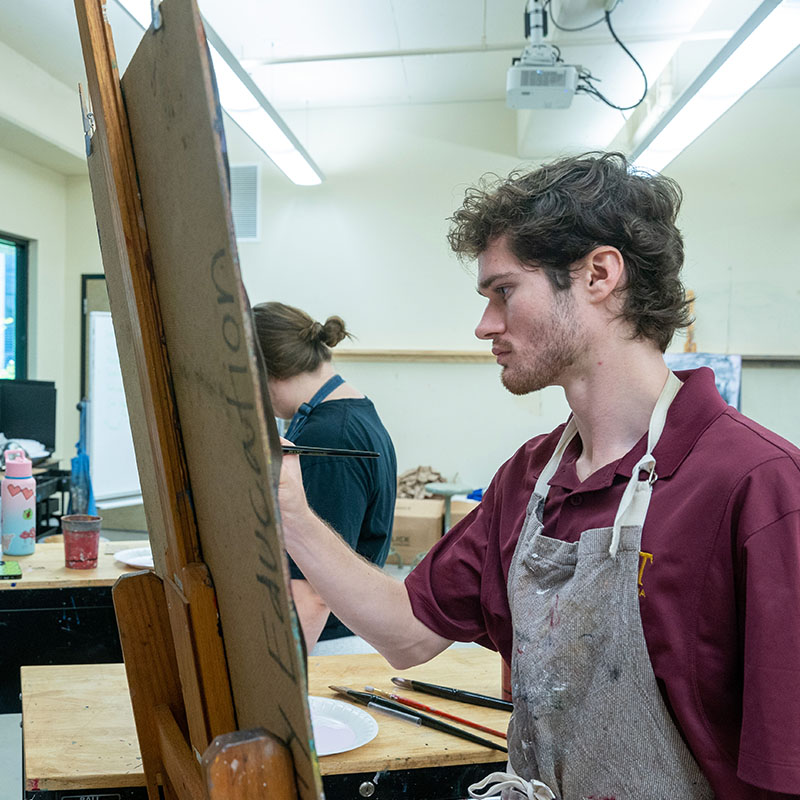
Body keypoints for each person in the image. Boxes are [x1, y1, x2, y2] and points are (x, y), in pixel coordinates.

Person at [276, 153, 800, 799]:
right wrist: (293, 519)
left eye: (503, 291)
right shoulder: (529, 481)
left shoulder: (756, 485)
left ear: (599, 275)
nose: (484, 325)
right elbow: (407, 634)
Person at [252, 301, 397, 651]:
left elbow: (313, 589)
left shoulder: (329, 437)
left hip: (323, 638)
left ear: (260, 372)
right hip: (338, 630)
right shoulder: (353, 412)